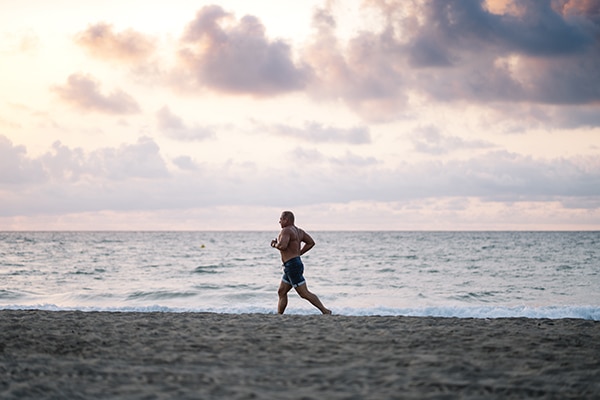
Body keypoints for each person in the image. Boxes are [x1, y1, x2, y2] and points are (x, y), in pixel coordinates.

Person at [271, 211, 331, 315]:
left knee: (304, 293)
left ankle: (325, 311)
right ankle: (279, 315)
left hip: (292, 266)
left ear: (286, 220)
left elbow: (283, 246)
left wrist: (274, 244)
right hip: (292, 265)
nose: (279, 221)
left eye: (281, 219)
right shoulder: (299, 231)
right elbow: (311, 242)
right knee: (281, 291)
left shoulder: (286, 230)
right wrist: (299, 253)